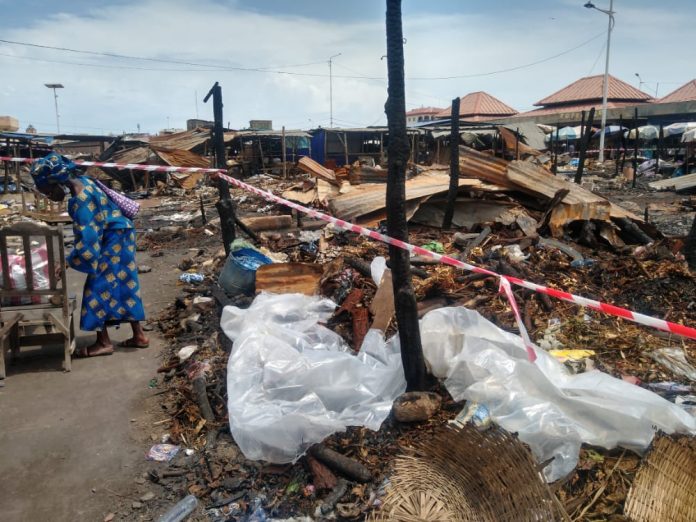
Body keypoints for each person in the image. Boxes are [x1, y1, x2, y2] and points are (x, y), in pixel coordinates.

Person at [30, 152, 149, 356]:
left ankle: (104, 343)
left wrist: (67, 262)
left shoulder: (81, 200)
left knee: (96, 288)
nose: (49, 196)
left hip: (112, 239)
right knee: (125, 283)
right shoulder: (85, 181)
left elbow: (88, 241)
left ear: (56, 181)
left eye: (48, 190)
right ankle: (139, 336)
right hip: (123, 234)